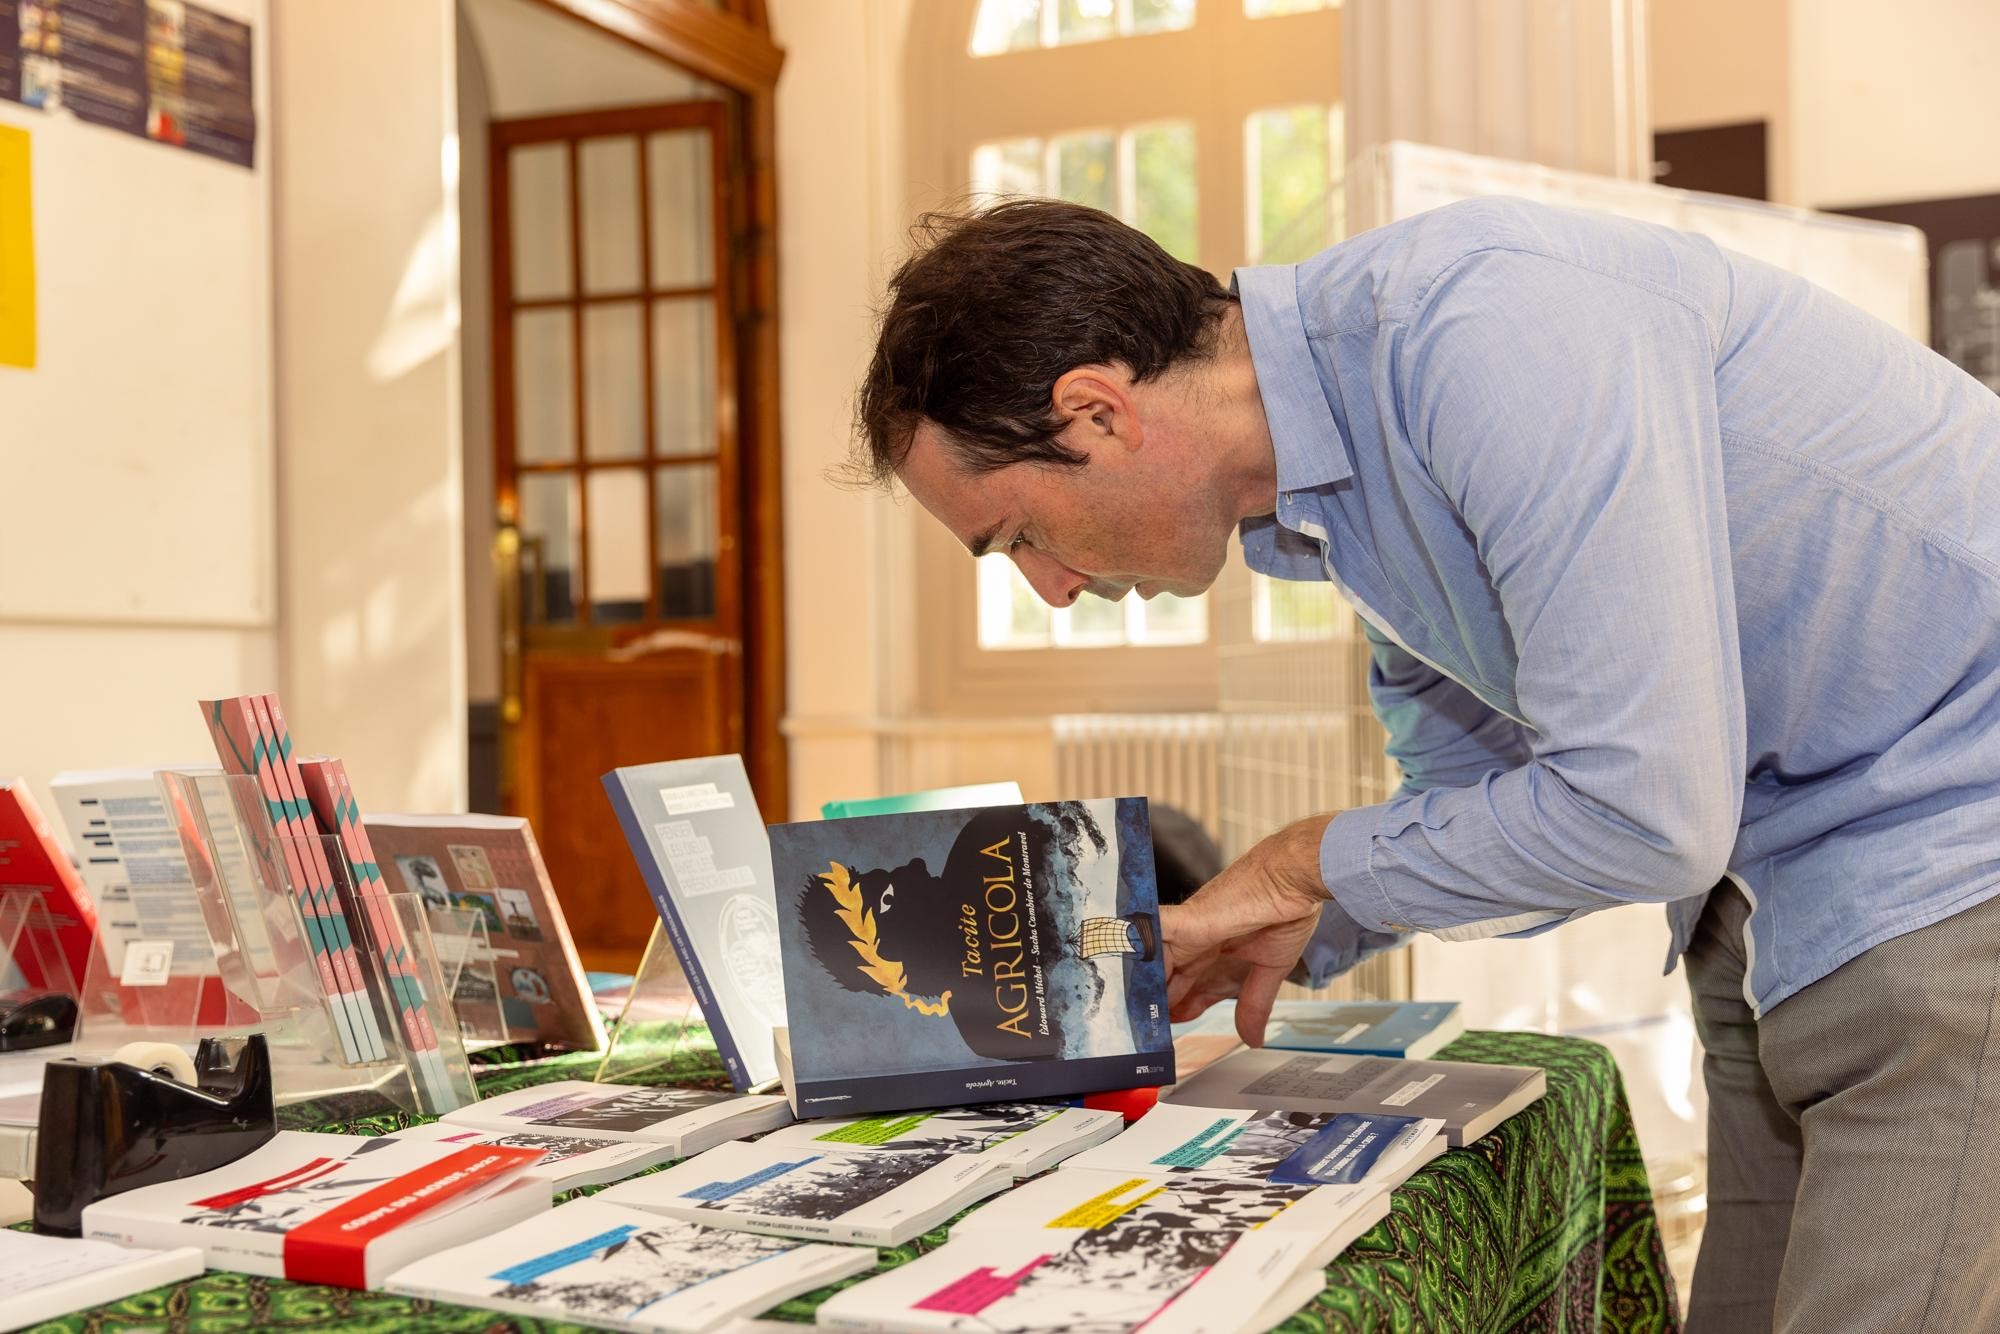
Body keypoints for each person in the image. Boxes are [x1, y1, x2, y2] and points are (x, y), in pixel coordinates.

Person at [851, 196, 2000, 1332]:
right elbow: (1479, 812)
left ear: (1094, 411)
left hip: (1946, 854)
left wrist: (1306, 865)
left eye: (1017, 537)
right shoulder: (1331, 499)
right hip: (1774, 899)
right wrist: (1304, 917)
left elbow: (1643, 809)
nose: (1049, 589)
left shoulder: (1488, 326)